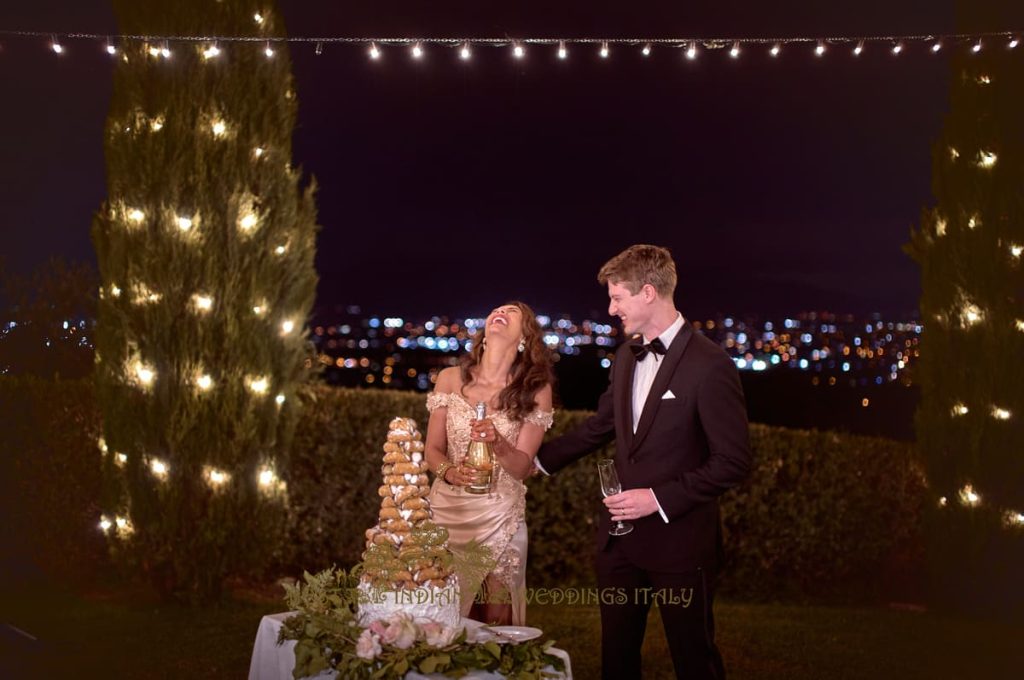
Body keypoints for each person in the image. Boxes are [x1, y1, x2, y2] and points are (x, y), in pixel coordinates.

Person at [536, 244, 752, 679]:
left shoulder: (711, 365)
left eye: (618, 297)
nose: (611, 307)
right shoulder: (624, 356)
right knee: (616, 658)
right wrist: (534, 461)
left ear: (648, 292)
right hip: (620, 546)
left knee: (694, 660)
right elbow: (601, 426)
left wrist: (657, 499)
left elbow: (733, 461)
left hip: (682, 547)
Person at [424, 301, 555, 625]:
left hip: (500, 514)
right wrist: (451, 473)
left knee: (496, 614)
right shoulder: (450, 378)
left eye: (513, 312)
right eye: (498, 309)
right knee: (442, 609)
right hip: (446, 511)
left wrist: (497, 442)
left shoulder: (536, 390)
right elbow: (432, 451)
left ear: (525, 337)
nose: (502, 311)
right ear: (483, 332)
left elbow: (523, 468)